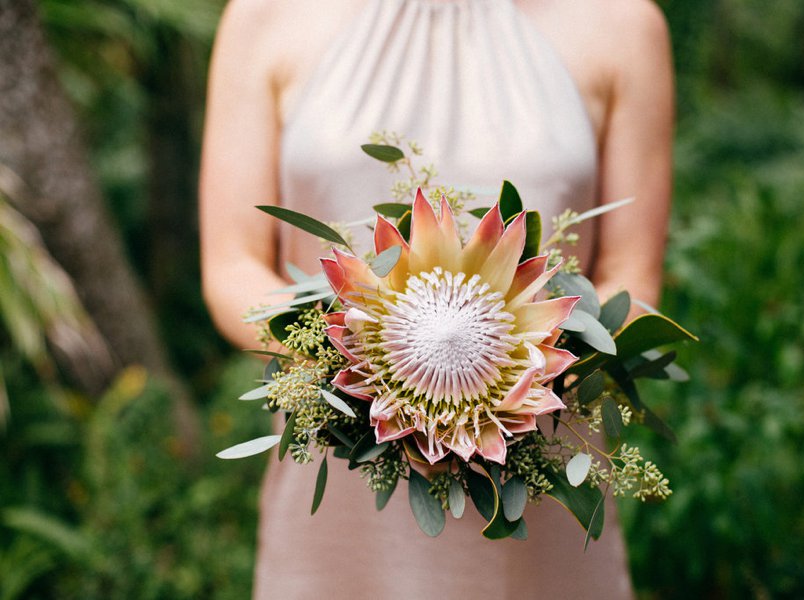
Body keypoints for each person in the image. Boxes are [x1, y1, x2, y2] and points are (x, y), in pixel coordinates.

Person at [200, 0, 673, 597]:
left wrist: (513, 389)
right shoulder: (263, 17)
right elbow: (231, 268)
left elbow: (633, 282)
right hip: (343, 467)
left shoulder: (624, 25)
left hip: (535, 464)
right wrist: (361, 371)